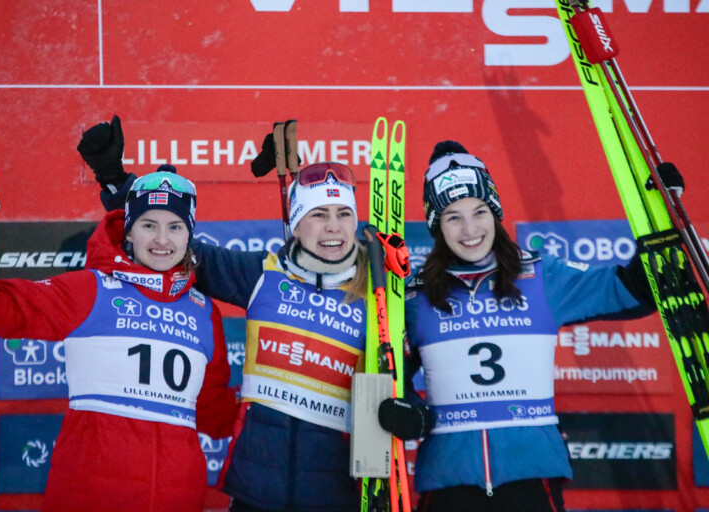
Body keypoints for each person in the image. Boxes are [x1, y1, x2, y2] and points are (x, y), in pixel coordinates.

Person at [77, 116, 370, 512]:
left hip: (337, 495)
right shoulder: (262, 275)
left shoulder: (380, 295)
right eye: (318, 215)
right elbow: (172, 244)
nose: (332, 228)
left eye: (343, 214)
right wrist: (119, 185)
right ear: (296, 225)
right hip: (255, 491)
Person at [377, 141, 670, 512]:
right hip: (449, 483)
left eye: (479, 211)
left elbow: (630, 290)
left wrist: (661, 216)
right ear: (437, 226)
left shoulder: (541, 277)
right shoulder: (415, 298)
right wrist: (406, 409)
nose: (470, 229)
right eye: (453, 217)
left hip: (531, 480)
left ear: (495, 212)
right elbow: (389, 381)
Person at [0, 168, 238, 512]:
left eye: (175, 227)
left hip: (179, 497)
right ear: (129, 231)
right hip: (89, 496)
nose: (162, 239)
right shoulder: (91, 290)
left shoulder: (204, 312)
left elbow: (215, 412)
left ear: (189, 234)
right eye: (149, 225)